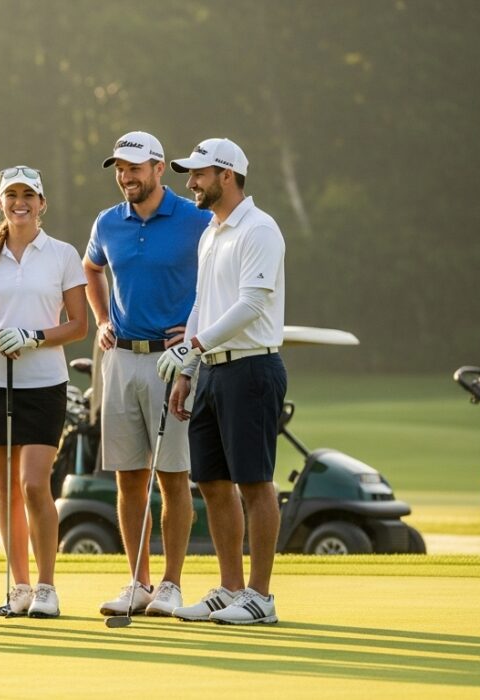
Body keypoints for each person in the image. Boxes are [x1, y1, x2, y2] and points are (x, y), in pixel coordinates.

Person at [158, 137, 287, 625]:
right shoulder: (212, 232)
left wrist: (192, 348)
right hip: (210, 369)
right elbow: (200, 305)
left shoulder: (259, 229)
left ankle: (260, 596)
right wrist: (188, 369)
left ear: (226, 175)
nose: (190, 182)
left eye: (199, 174)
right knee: (211, 482)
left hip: (252, 366)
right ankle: (230, 587)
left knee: (255, 482)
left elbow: (251, 304)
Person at [83, 131, 211, 618]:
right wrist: (101, 320)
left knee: (173, 477)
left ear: (159, 168)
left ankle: (172, 585)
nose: (125, 176)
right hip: (120, 359)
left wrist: (196, 325)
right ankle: (138, 581)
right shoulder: (108, 222)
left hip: (170, 360)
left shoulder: (194, 219)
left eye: (134, 167)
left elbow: (220, 274)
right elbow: (91, 269)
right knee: (128, 479)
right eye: (119, 167)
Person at [0, 166, 88, 618]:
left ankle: (47, 586)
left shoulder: (63, 255)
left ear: (42, 203)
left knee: (34, 484)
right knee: (6, 490)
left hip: (44, 382)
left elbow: (78, 324)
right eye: (12, 195)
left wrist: (32, 337)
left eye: (28, 194)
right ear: (1, 203)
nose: (20, 202)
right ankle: (20, 586)